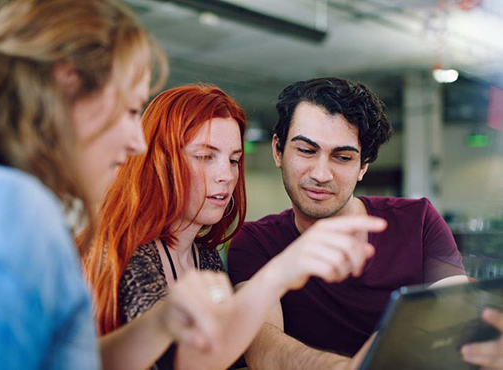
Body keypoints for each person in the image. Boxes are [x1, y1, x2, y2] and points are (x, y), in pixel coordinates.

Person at [0, 1, 241, 369]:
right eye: (132, 111)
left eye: (234, 160)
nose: (138, 142)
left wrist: (162, 322)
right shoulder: (12, 207)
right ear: (67, 85)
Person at [85, 83, 388, 370]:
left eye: (233, 160)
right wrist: (280, 272)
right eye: (205, 157)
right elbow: (178, 361)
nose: (226, 175)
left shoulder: (205, 258)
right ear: (160, 162)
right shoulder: (126, 252)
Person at [227, 76, 503, 369]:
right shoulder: (256, 242)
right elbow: (263, 348)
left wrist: (486, 343)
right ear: (277, 151)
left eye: (342, 157)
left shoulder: (417, 220)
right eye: (307, 151)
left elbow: (455, 312)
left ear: (363, 166)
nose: (321, 173)